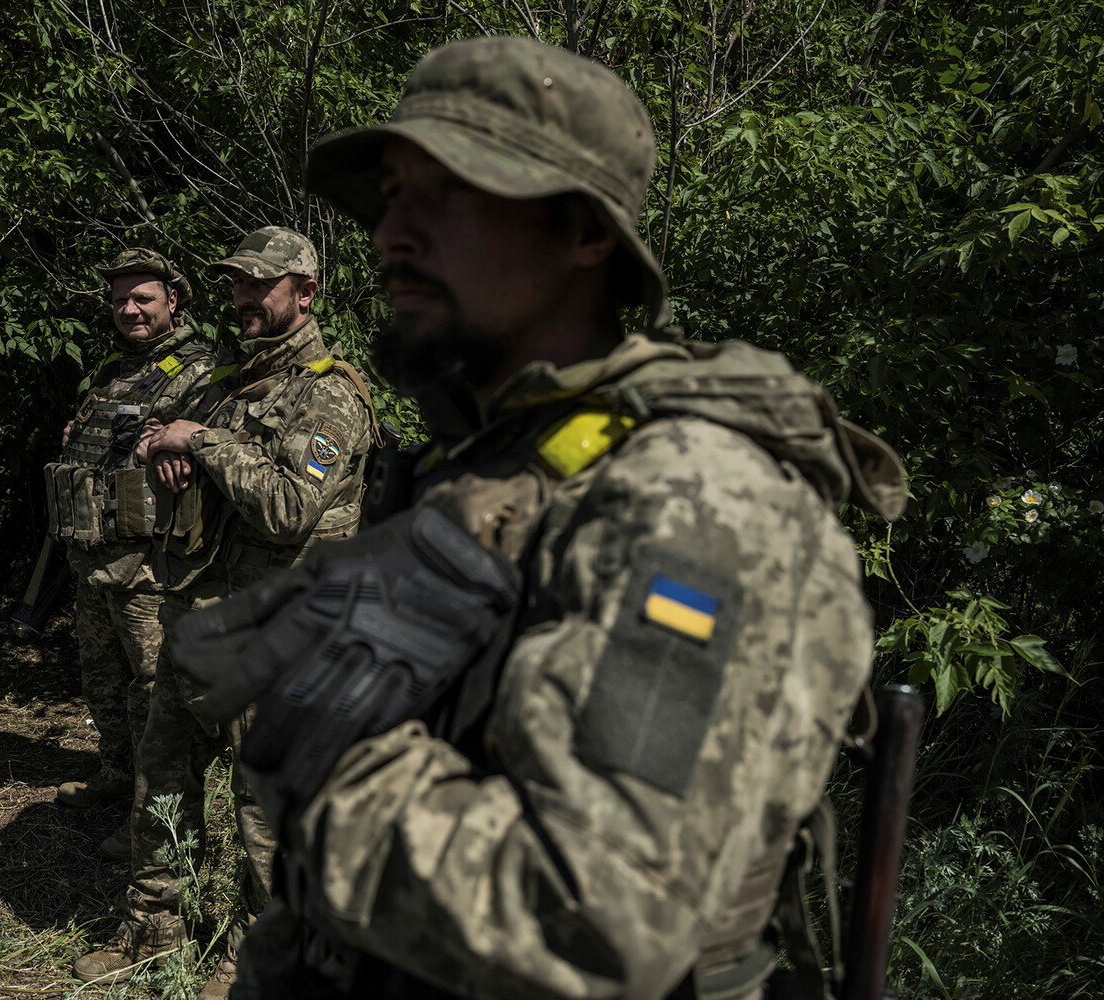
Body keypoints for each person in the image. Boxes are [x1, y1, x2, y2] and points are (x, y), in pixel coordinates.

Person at [167, 37, 909, 1000]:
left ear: (585, 234)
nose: (392, 233)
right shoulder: (492, 458)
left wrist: (341, 754)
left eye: (447, 193)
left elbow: (598, 917)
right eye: (393, 194)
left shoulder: (694, 501)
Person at [69, 227, 377, 998]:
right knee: (161, 778)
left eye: (258, 286)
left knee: (263, 815)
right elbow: (157, 437)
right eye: (236, 284)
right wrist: (167, 446)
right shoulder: (231, 381)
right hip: (200, 613)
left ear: (305, 294)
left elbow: (286, 506)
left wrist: (201, 442)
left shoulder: (329, 391)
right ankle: (152, 927)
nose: (242, 297)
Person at [46, 249, 224, 866]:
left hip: (152, 564)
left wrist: (174, 440)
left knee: (156, 693)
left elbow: (212, 440)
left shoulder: (203, 371)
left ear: (173, 300)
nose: (129, 309)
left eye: (143, 298)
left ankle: (160, 822)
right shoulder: (115, 370)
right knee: (104, 679)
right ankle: (118, 776)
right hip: (96, 554)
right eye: (120, 299)